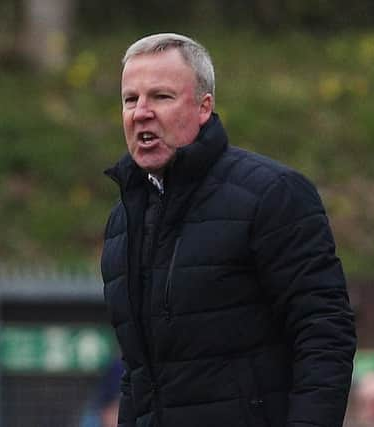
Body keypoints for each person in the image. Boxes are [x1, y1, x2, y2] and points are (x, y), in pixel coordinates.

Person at [100, 33, 357, 427]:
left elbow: (324, 333)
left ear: (204, 107)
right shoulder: (123, 220)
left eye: (161, 97)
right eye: (130, 99)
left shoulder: (272, 194)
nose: (141, 113)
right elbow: (138, 371)